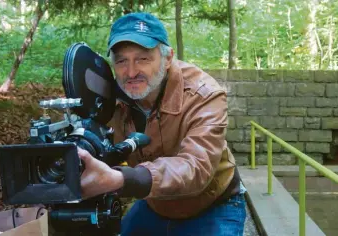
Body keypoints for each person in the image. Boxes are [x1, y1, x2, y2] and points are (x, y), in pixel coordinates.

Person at [76, 12, 247, 236]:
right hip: (155, 203)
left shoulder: (204, 94)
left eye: (143, 58)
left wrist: (120, 179)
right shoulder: (109, 98)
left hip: (213, 205)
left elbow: (196, 166)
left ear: (168, 59)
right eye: (121, 61)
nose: (131, 71)